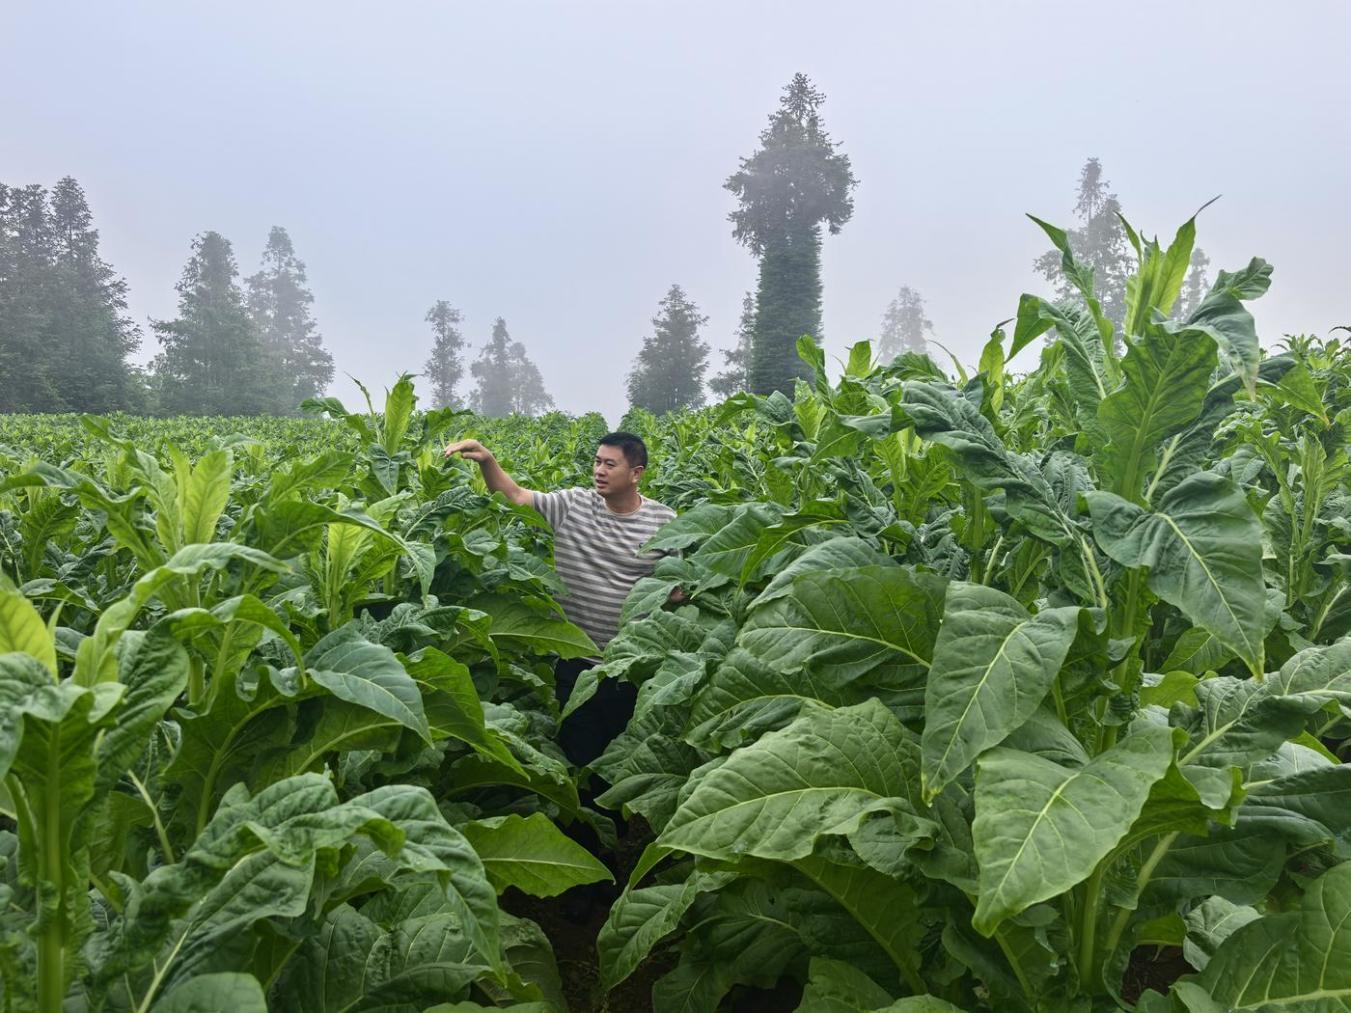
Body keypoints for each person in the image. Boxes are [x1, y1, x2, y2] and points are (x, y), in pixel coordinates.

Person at [443, 431, 676, 765]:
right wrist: (487, 460)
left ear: (636, 473)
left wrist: (678, 593)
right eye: (597, 461)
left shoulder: (664, 522)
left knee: (624, 761)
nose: (599, 471)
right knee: (579, 755)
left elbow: (678, 584)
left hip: (633, 667)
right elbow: (516, 496)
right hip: (575, 663)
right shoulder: (573, 505)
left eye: (610, 464)